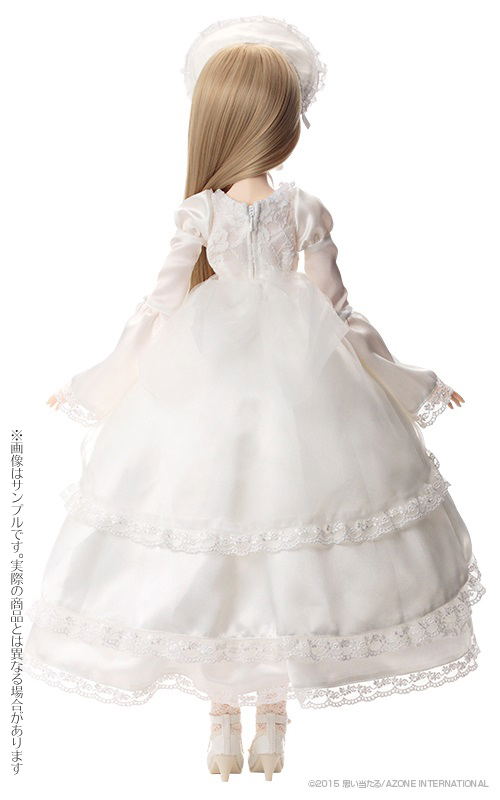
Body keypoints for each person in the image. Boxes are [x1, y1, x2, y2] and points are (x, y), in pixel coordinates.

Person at [25, 16, 485, 782]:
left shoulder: (208, 212)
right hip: (296, 384)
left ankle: (234, 723)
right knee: (274, 537)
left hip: (216, 378)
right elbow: (335, 312)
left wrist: (100, 379)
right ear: (279, 124)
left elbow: (162, 311)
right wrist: (406, 379)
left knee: (226, 539)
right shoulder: (291, 209)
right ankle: (261, 723)